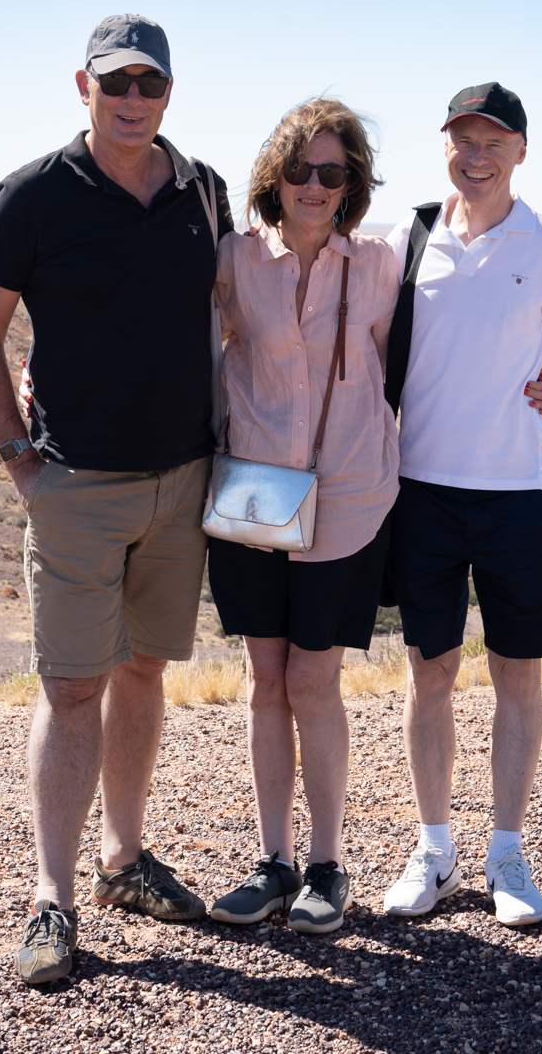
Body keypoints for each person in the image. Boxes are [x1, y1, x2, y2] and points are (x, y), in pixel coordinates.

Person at [0, 15, 231, 986]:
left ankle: (124, 860)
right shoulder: (34, 194)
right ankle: (53, 900)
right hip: (74, 485)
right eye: (116, 82)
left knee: (145, 671)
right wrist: (18, 460)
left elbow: (244, 312)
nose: (132, 99)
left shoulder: (202, 191)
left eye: (149, 83)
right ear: (85, 86)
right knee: (73, 687)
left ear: (169, 92)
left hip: (182, 482)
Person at [379, 83, 542, 927]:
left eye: (492, 143)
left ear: (521, 152)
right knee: (429, 674)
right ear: (445, 147)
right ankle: (434, 851)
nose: (476, 157)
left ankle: (508, 853)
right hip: (421, 491)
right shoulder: (407, 240)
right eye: (462, 141)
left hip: (516, 496)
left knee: (517, 676)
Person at [198, 98, 395, 936]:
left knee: (314, 683)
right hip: (253, 499)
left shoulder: (379, 267)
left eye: (332, 171)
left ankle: (326, 866)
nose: (314, 185)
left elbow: (418, 364)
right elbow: (173, 338)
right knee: (264, 682)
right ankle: (271, 863)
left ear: (351, 183)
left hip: (348, 499)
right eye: (300, 169)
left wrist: (538, 387)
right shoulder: (235, 260)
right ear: (274, 177)